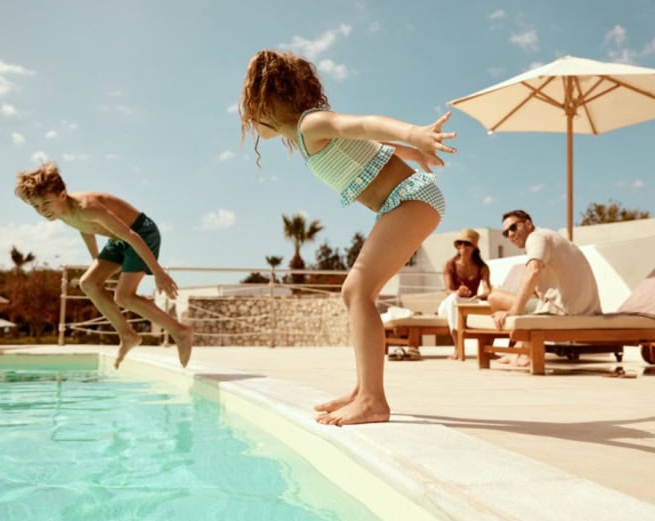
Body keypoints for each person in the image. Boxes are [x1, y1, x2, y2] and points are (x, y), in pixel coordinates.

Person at [239, 49, 456, 426]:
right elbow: (371, 146)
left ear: (269, 102)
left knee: (357, 290)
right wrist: (408, 149)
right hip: (401, 202)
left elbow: (364, 125)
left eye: (252, 105)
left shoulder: (312, 124)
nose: (248, 116)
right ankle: (363, 390)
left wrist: (414, 135)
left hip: (411, 199)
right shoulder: (307, 135)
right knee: (356, 292)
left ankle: (373, 400)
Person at [14, 161, 193, 369]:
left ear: (62, 195)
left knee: (124, 296)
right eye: (36, 206)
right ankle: (127, 335)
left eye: (46, 203)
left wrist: (158, 272)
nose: (42, 211)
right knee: (89, 283)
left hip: (141, 233)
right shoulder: (61, 213)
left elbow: (131, 235)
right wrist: (96, 262)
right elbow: (85, 230)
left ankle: (180, 331)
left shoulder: (88, 208)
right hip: (117, 240)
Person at [487, 209, 601, 366]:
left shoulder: (536, 237)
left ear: (528, 223)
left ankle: (522, 354)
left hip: (565, 310)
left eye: (513, 228)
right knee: (522, 303)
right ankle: (518, 350)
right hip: (585, 308)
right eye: (506, 233)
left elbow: (533, 271)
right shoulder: (549, 237)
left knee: (495, 297)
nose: (511, 235)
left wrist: (513, 311)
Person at [437, 228, 492, 359]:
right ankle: (458, 347)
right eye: (460, 243)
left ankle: (489, 349)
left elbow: (488, 290)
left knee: (491, 302)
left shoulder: (482, 268)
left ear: (474, 247)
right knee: (453, 299)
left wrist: (477, 296)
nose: (463, 246)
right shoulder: (450, 264)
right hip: (450, 304)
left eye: (467, 243)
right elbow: (448, 290)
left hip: (470, 303)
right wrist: (458, 291)